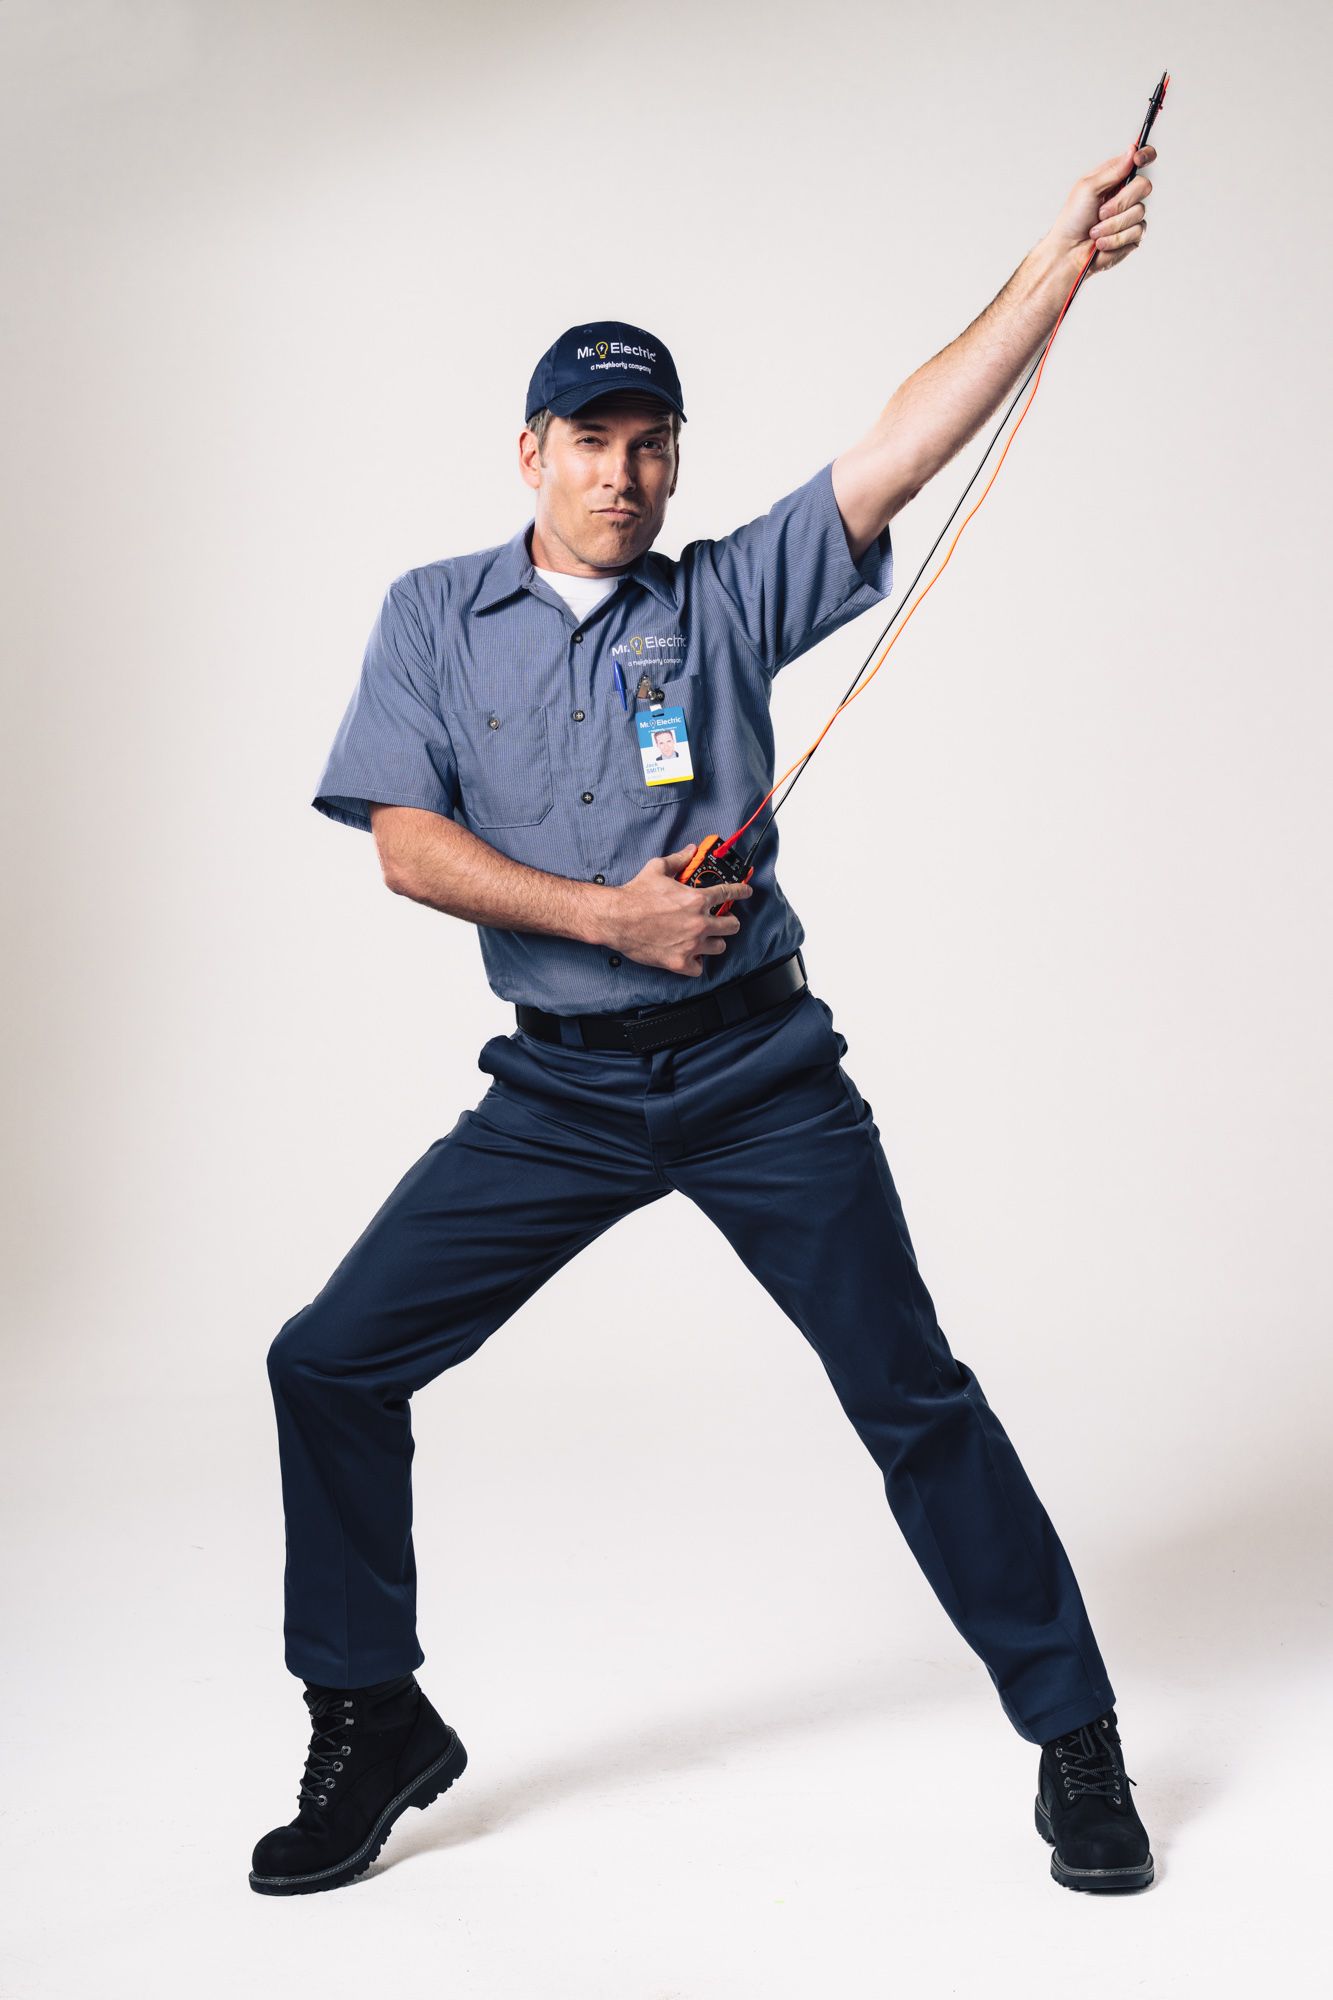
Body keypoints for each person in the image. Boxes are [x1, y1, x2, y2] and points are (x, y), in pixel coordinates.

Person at [251, 138, 1159, 1899]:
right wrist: (608, 916)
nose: (624, 470)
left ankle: (1075, 1735)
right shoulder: (433, 618)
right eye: (591, 439)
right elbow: (408, 850)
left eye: (650, 439)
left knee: (912, 1395)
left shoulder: (727, 596)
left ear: (675, 457)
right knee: (329, 1360)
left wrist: (1053, 263)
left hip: (759, 1075)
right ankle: (369, 1715)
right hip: (556, 1098)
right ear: (530, 452)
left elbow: (903, 440)